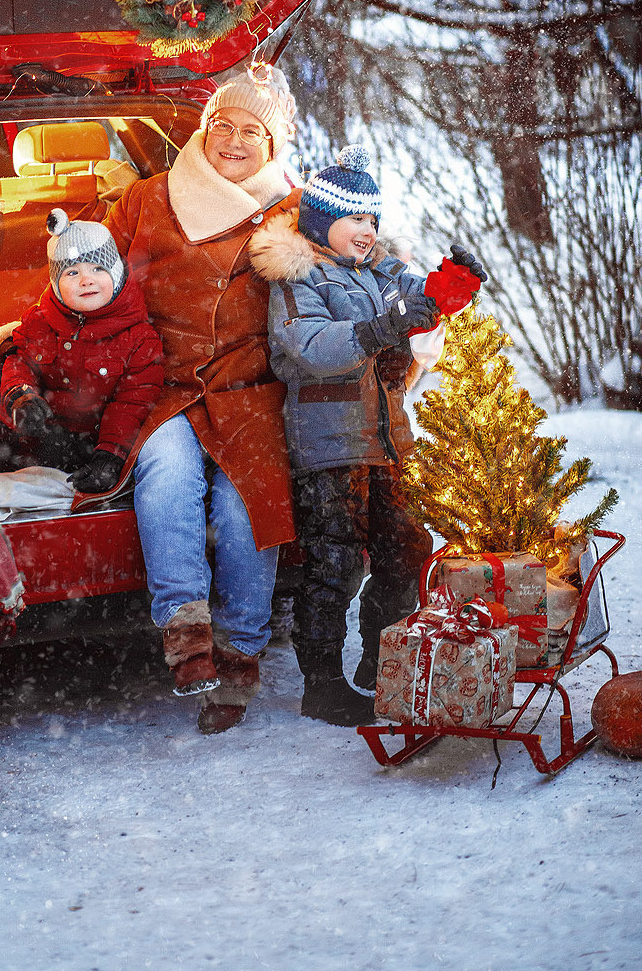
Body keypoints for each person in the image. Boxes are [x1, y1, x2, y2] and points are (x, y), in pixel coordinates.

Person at [249, 145, 488, 725]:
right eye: (354, 217)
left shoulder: (379, 269)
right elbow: (311, 347)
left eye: (373, 219)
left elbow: (417, 299)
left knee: (406, 549)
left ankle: (384, 661)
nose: (368, 230)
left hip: (387, 441)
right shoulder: (298, 278)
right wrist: (381, 328)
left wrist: (448, 288)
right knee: (334, 564)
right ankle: (322, 683)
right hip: (329, 446)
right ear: (320, 221)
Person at [102, 64, 299, 735]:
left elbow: (349, 273)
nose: (234, 141)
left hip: (251, 394)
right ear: (204, 129)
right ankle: (185, 635)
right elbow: (93, 284)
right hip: (163, 386)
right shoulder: (146, 199)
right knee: (167, 473)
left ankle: (240, 655)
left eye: (252, 131)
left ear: (272, 145)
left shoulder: (293, 212)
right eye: (223, 125)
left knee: (246, 506)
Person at [0, 210, 165, 497]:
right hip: (40, 433)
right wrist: (21, 395)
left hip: (92, 443)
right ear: (56, 284)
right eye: (72, 273)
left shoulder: (138, 338)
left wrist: (110, 455)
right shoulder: (40, 320)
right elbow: (19, 361)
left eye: (98, 269)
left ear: (116, 274)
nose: (86, 280)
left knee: (65, 467)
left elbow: (132, 404)